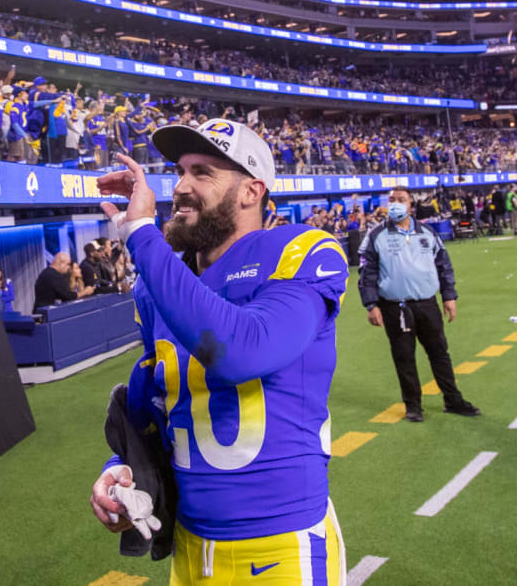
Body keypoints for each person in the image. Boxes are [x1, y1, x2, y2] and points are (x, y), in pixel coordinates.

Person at [91, 119, 347, 584]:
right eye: (180, 171)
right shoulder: (159, 287)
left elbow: (240, 352)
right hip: (190, 549)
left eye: (203, 173)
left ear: (252, 191)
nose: (181, 186)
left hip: (281, 545)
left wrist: (143, 235)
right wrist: (121, 472)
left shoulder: (299, 250)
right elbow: (155, 406)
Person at [358, 186, 480, 422]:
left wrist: (449, 296)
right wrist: (371, 304)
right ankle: (413, 406)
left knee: (439, 353)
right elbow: (367, 272)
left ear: (411, 204)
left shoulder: (427, 233)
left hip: (427, 304)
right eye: (391, 199)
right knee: (404, 357)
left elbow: (444, 266)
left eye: (401, 199)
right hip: (396, 307)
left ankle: (453, 400)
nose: (395, 203)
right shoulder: (376, 236)